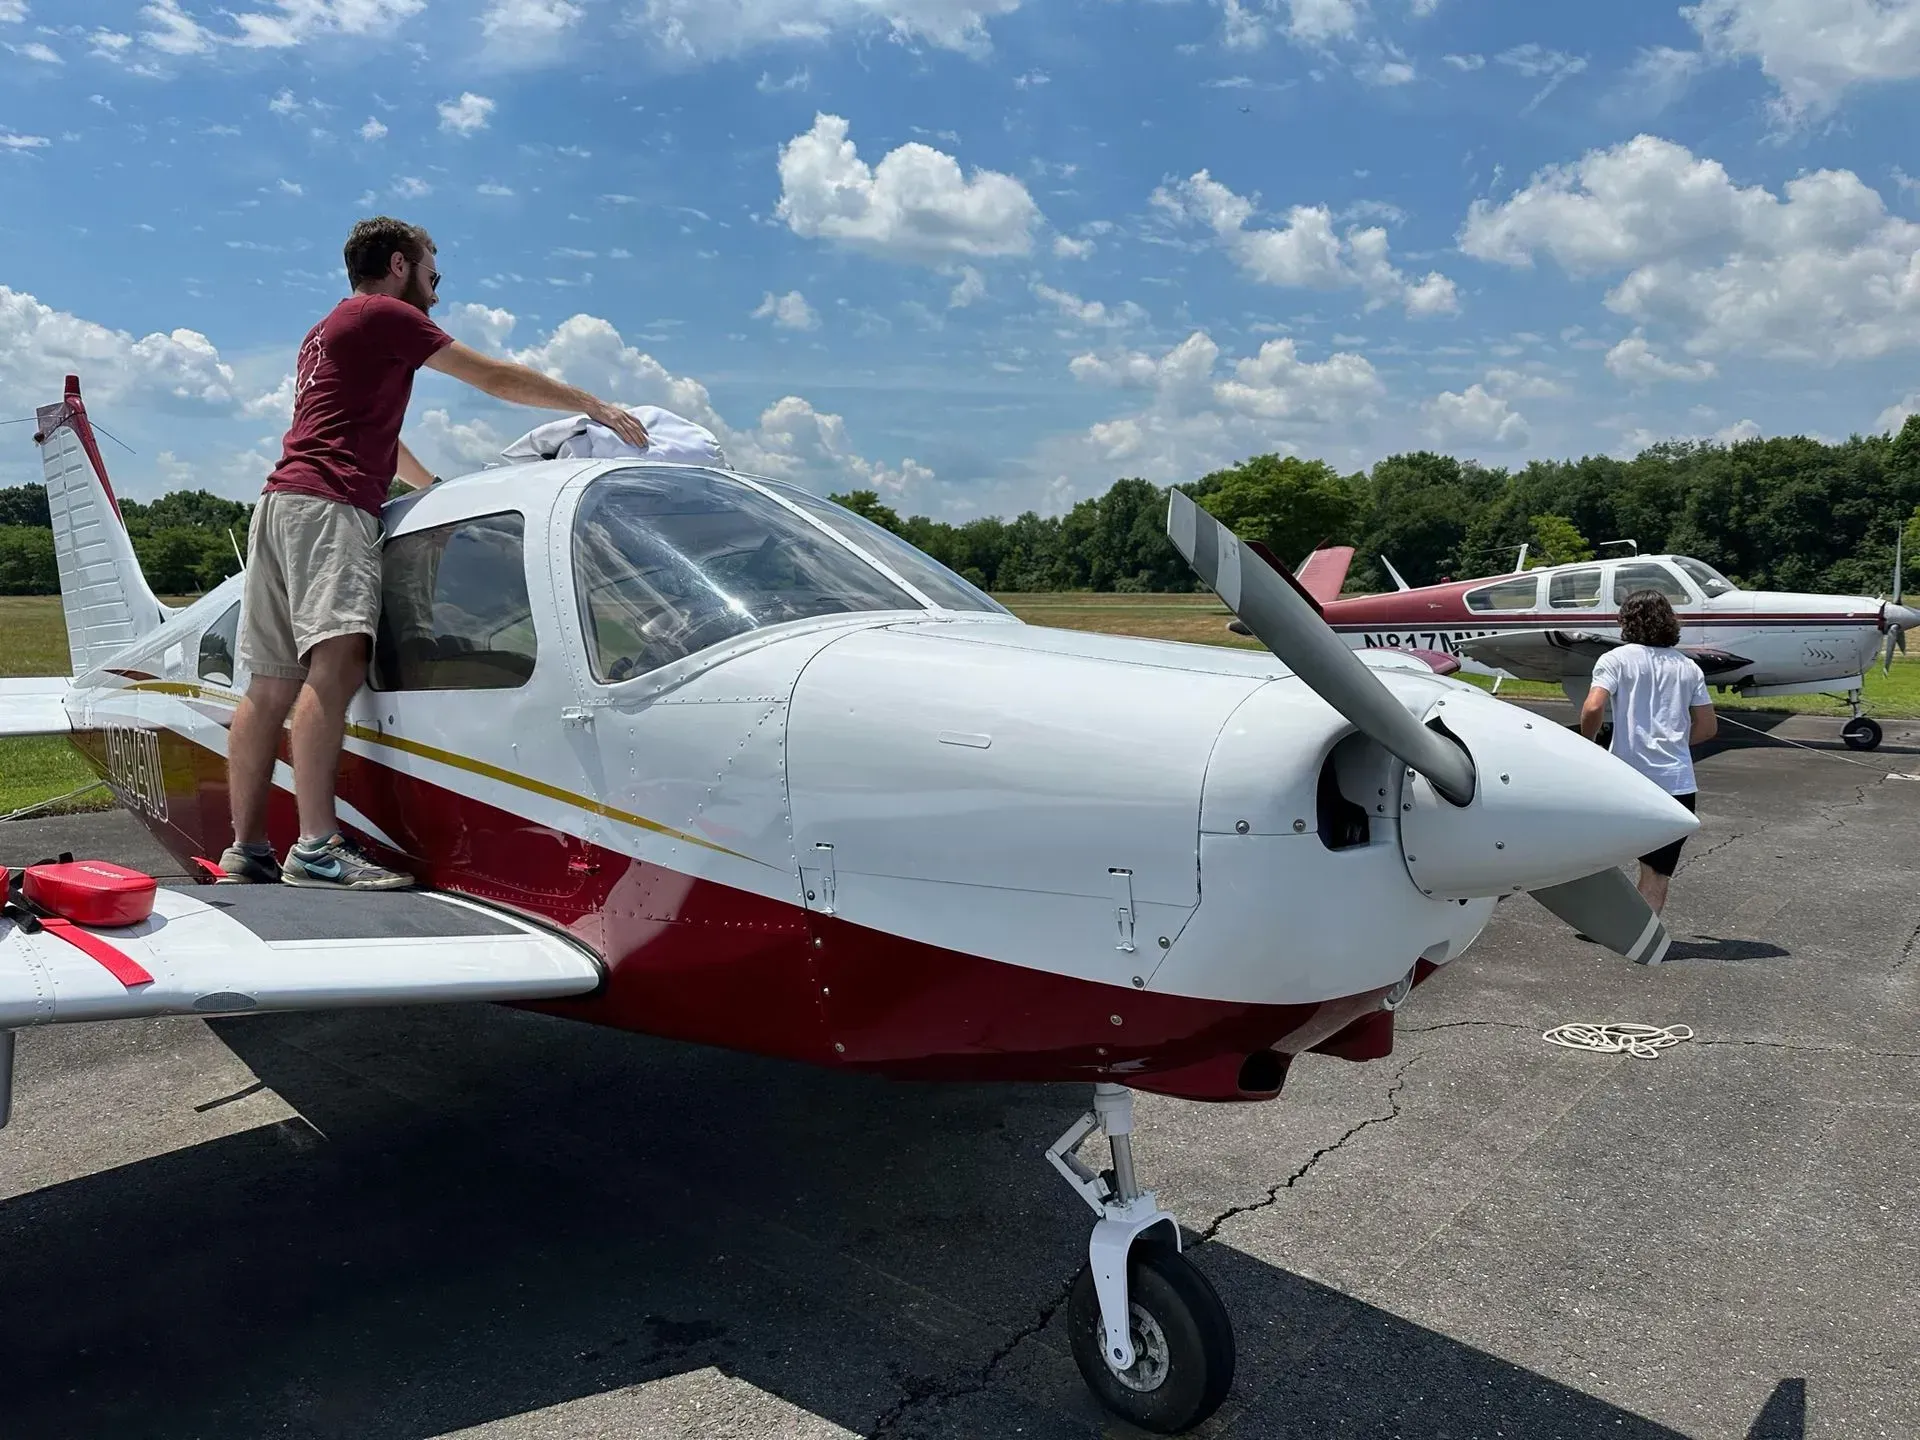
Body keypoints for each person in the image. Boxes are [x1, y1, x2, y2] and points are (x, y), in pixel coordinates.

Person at [218, 216, 650, 890]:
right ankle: (317, 846)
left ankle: (246, 850)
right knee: (336, 663)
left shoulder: (329, 330)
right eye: (433, 275)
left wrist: (439, 493)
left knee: (270, 684)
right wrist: (592, 405)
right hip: (331, 506)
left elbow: (369, 437)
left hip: (283, 503)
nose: (437, 295)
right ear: (399, 266)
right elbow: (491, 378)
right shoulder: (385, 315)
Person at [1580, 589, 1718, 914]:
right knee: (1657, 872)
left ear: (1626, 621)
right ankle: (1641, 938)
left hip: (1626, 780)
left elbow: (1593, 706)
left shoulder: (1615, 659)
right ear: (1670, 621)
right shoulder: (1688, 667)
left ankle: (1600, 916)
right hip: (1676, 782)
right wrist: (1676, 745)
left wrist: (1589, 743)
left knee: (1595, 852)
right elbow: (1708, 728)